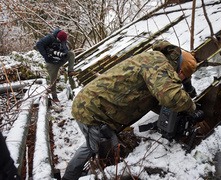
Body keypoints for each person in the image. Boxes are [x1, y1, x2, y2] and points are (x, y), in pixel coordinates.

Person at [62, 40, 197, 180]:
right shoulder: (159, 63)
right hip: (95, 112)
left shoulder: (155, 62)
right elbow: (170, 97)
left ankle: (69, 177)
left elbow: (154, 100)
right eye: (182, 79)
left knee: (92, 146)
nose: (180, 82)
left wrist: (175, 113)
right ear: (181, 72)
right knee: (111, 162)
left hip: (89, 105)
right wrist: (190, 106)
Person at [36, 29, 77, 102]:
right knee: (53, 80)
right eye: (59, 40)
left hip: (59, 60)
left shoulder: (63, 39)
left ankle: (70, 71)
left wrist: (64, 53)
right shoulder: (49, 38)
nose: (61, 42)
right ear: (57, 37)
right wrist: (46, 56)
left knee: (71, 54)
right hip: (51, 62)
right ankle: (54, 97)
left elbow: (65, 49)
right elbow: (38, 44)